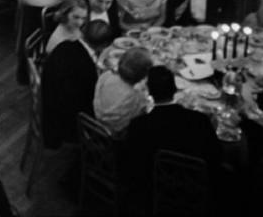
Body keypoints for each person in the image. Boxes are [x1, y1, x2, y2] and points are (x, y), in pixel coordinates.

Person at [123, 65, 222, 206]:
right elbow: (216, 156)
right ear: (175, 89)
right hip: (194, 190)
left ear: (149, 93)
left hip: (152, 191)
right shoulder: (199, 121)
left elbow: (132, 164)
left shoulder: (138, 126)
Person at [40, 19, 113, 147]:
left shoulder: (64, 46)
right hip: (67, 124)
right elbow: (91, 100)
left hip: (48, 108)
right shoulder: (87, 70)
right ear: (103, 46)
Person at [94, 45, 153, 138]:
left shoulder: (106, 75)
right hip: (116, 133)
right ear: (143, 76)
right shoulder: (134, 96)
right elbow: (143, 112)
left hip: (96, 119)